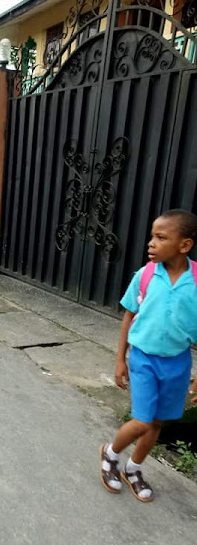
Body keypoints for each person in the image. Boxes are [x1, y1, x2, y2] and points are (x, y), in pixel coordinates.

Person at [101, 209, 197, 502]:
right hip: (142, 359)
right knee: (142, 420)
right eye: (152, 236)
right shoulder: (144, 276)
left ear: (184, 245)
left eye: (161, 237)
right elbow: (129, 316)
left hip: (178, 363)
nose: (151, 243)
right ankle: (110, 454)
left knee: (156, 423)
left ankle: (134, 468)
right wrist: (120, 359)